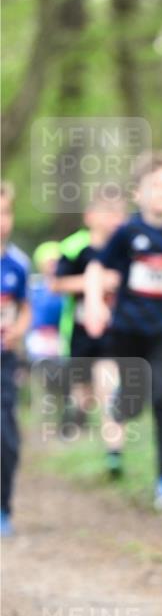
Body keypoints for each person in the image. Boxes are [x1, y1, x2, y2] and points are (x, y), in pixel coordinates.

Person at [84, 152, 162, 509]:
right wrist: (94, 303)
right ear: (138, 193)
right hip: (126, 331)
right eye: (155, 186)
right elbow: (97, 267)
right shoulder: (127, 232)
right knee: (134, 399)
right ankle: (122, 403)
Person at [51, 184, 127, 471]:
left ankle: (114, 453)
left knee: (110, 389)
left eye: (119, 213)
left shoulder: (126, 248)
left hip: (113, 334)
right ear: (90, 215)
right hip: (80, 334)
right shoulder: (74, 247)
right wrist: (93, 282)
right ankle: (75, 415)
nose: (113, 219)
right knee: (84, 393)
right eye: (107, 213)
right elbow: (55, 284)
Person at [1, 182, 31, 536]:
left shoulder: (18, 265)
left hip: (4, 362)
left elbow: (26, 309)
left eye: (5, 213)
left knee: (5, 437)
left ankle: (3, 506)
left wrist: (19, 329)